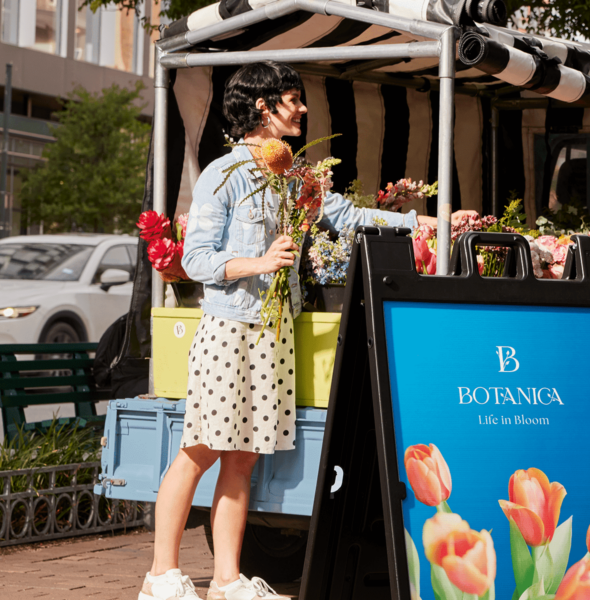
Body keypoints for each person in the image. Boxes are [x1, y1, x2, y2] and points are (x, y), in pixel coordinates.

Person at [142, 62, 438, 600]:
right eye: (292, 98)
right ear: (262, 106)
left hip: (275, 335)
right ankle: (162, 575)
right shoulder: (222, 175)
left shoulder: (296, 176)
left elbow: (347, 218)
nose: (302, 108)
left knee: (244, 457)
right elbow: (196, 257)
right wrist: (259, 261)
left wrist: (425, 224)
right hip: (230, 331)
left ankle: (227, 581)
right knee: (202, 448)